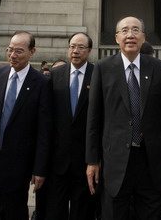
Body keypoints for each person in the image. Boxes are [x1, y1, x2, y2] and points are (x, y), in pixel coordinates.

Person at [86, 16, 161, 220]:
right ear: (116, 37)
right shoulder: (103, 68)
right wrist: (92, 161)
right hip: (115, 162)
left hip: (151, 162)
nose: (130, 35)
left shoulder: (157, 67)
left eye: (135, 30)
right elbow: (94, 118)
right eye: (125, 30)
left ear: (144, 37)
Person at [0, 31, 52, 220]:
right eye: (10, 50)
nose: (12, 55)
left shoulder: (41, 83)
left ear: (32, 51)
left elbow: (44, 131)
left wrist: (39, 169)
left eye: (19, 51)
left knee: (13, 211)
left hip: (18, 163)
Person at [46, 32, 96, 220]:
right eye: (72, 46)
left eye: (81, 47)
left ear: (89, 51)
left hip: (85, 161)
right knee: (55, 211)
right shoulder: (55, 75)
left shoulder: (98, 74)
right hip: (57, 160)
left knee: (81, 212)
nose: (75, 51)